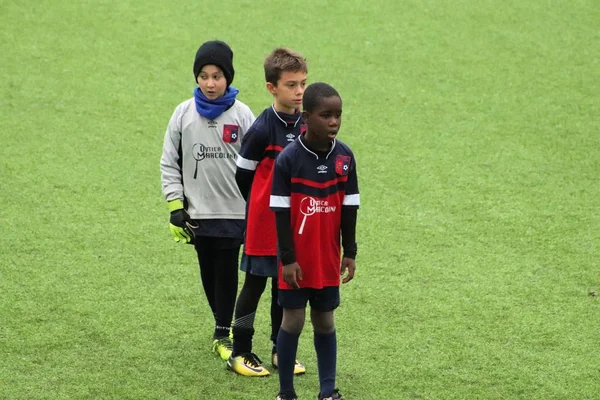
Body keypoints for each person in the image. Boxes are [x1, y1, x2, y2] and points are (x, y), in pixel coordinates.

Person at [160, 40, 255, 362]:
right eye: (203, 75)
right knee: (207, 270)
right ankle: (222, 327)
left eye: (217, 76)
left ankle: (221, 332)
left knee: (226, 271)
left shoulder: (242, 115)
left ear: (228, 77)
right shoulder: (182, 113)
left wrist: (257, 205)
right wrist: (176, 206)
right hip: (197, 212)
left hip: (234, 211)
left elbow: (258, 164)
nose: (210, 83)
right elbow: (169, 161)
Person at [270, 82, 359, 400]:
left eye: (338, 115)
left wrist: (350, 251)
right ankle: (286, 392)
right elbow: (279, 213)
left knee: (325, 321)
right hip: (296, 261)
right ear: (307, 118)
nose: (334, 121)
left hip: (326, 258)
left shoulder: (345, 158)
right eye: (326, 115)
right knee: (292, 321)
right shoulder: (289, 160)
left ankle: (327, 391)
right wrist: (287, 258)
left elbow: (350, 208)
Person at [227, 48, 308, 377]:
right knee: (255, 285)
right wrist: (261, 206)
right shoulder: (262, 128)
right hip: (264, 224)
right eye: (291, 85)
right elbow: (242, 175)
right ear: (271, 87)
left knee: (284, 286)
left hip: (294, 223)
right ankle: (240, 351)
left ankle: (280, 348)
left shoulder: (307, 123)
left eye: (303, 83)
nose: (300, 91)